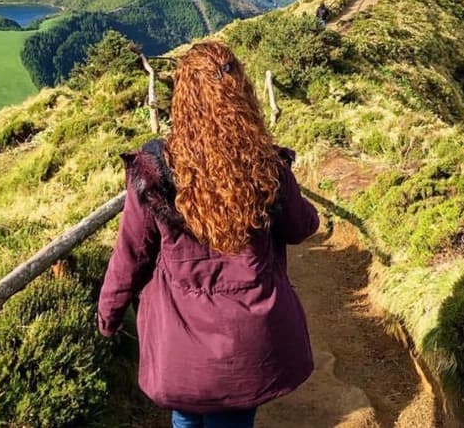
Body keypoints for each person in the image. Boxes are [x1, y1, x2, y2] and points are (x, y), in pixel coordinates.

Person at [98, 40, 319, 428]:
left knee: (185, 415)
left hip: (180, 343)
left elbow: (130, 256)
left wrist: (109, 315)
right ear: (242, 96)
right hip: (247, 342)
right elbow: (301, 228)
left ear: (182, 99)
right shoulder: (265, 166)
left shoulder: (155, 172)